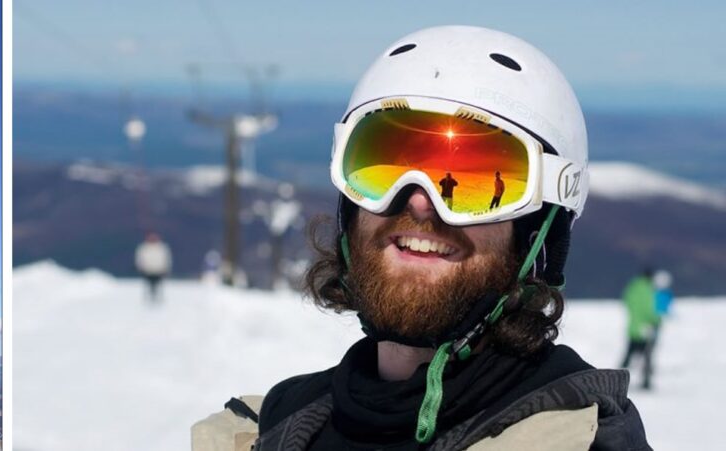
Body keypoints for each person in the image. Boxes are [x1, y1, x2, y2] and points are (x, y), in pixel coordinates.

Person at [249, 26, 648, 449]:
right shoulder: (273, 425)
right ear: (349, 208)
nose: (420, 201)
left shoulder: (578, 438)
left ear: (540, 232)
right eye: (382, 163)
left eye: (480, 182)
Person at [621, 268, 659, 390]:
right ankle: (646, 381)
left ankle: (617, 381)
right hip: (645, 329)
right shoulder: (647, 290)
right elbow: (648, 309)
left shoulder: (633, 287)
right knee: (647, 356)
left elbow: (627, 302)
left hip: (633, 328)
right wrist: (656, 320)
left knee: (628, 355)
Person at [135, 232, 173, 302]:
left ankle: (157, 299)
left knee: (158, 285)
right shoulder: (144, 247)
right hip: (147, 270)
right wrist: (141, 267)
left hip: (159, 270)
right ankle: (149, 299)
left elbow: (166, 259)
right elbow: (140, 258)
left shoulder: (162, 248)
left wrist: (166, 268)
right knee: (149, 285)